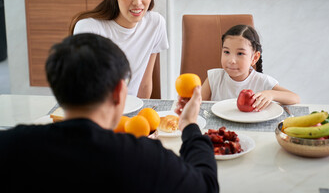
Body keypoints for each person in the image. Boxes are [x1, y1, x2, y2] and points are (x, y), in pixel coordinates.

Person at [0, 34, 218, 193]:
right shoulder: (144, 158)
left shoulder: (12, 145)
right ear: (117, 92)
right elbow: (206, 186)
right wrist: (190, 124)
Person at [69, 0, 168, 98]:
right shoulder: (89, 29)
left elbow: (144, 84)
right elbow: (84, 90)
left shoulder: (156, 23)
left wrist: (139, 117)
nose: (138, 2)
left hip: (132, 113)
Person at [201, 25, 300, 110]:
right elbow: (196, 104)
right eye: (226, 52)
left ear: (254, 58)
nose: (231, 60)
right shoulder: (214, 77)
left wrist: (271, 94)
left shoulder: (262, 81)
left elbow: (295, 98)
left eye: (240, 53)